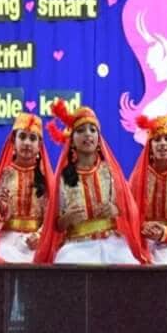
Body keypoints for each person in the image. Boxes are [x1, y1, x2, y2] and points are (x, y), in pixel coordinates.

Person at [34, 100, 148, 265]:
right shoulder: (64, 177)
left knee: (129, 269)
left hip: (113, 244)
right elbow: (56, 225)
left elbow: (129, 211)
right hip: (76, 246)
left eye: (92, 130)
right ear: (72, 140)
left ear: (98, 138)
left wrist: (115, 209)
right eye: (80, 130)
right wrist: (67, 219)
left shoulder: (110, 172)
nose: (88, 134)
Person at [0, 113, 52, 263]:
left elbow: (51, 217)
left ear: (40, 145)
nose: (27, 143)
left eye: (33, 138)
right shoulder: (4, 175)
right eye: (22, 137)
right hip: (6, 244)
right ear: (13, 142)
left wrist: (40, 236)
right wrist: (1, 212)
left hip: (37, 246)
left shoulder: (45, 177)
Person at [126, 114, 167, 265]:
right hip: (141, 240)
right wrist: (143, 227)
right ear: (150, 146)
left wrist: (165, 233)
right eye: (157, 140)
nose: (162, 144)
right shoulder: (139, 177)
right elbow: (128, 214)